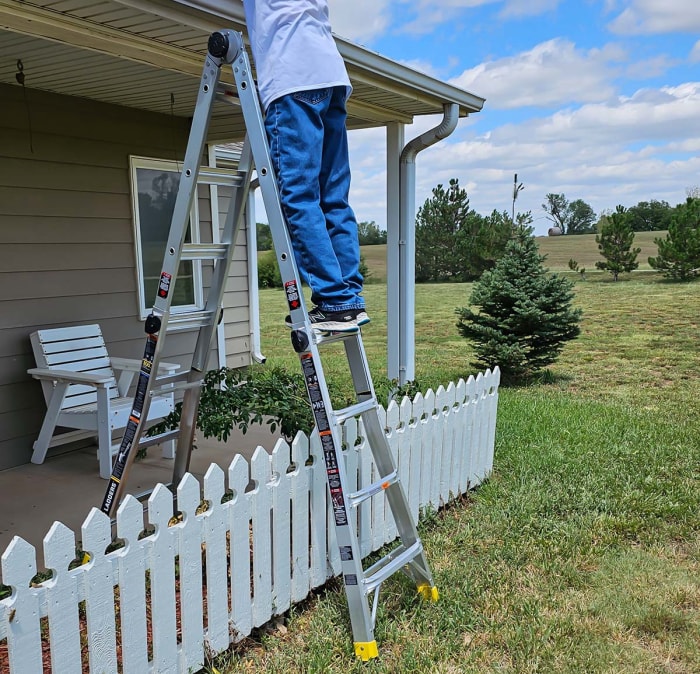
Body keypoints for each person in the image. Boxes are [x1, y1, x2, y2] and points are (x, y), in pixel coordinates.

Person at [243, 0, 369, 333]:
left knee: (299, 196)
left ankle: (333, 299)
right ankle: (348, 300)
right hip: (332, 76)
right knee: (333, 198)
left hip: (292, 76)